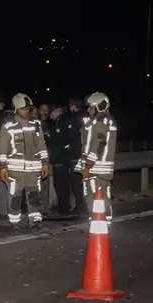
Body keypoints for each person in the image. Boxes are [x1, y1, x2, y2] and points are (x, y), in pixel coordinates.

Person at [0, 92, 49, 230]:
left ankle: (36, 222)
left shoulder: (36, 124)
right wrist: (2, 167)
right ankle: (15, 224)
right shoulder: (8, 126)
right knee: (14, 198)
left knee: (34, 197)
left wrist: (45, 163)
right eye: (23, 109)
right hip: (15, 171)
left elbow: (41, 145)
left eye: (28, 109)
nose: (26, 111)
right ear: (16, 109)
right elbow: (2, 148)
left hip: (33, 170)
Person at [77, 92, 117, 224]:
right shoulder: (104, 120)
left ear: (99, 107)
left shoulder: (100, 122)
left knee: (94, 194)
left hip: (96, 167)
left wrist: (88, 165)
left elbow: (98, 144)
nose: (88, 110)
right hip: (100, 167)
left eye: (91, 107)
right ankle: (105, 220)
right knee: (103, 194)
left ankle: (98, 221)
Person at [50, 99, 83, 215]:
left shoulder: (64, 122)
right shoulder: (58, 122)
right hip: (60, 157)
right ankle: (64, 205)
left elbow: (63, 140)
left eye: (53, 112)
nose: (51, 114)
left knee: (61, 183)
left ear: (58, 112)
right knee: (60, 183)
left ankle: (65, 207)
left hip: (62, 157)